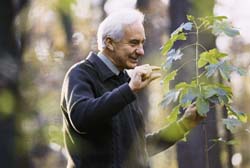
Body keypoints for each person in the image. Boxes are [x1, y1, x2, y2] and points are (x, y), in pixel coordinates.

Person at [60, 9, 204, 168]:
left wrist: (183, 125)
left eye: (142, 43)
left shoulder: (125, 82)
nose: (141, 51)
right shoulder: (80, 74)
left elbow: (137, 149)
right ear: (109, 43)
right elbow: (81, 119)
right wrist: (129, 90)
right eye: (133, 43)